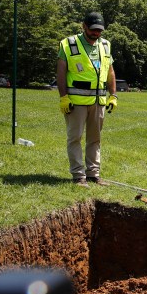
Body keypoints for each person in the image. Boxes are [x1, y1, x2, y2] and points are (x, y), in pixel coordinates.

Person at [56, 11, 118, 188]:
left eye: (99, 30)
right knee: (74, 137)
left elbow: (110, 71)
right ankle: (78, 176)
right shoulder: (69, 44)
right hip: (76, 102)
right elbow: (61, 71)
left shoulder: (105, 45)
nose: (96, 34)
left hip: (98, 102)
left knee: (95, 139)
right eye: (92, 30)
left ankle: (93, 174)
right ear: (83, 26)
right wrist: (63, 98)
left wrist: (113, 95)